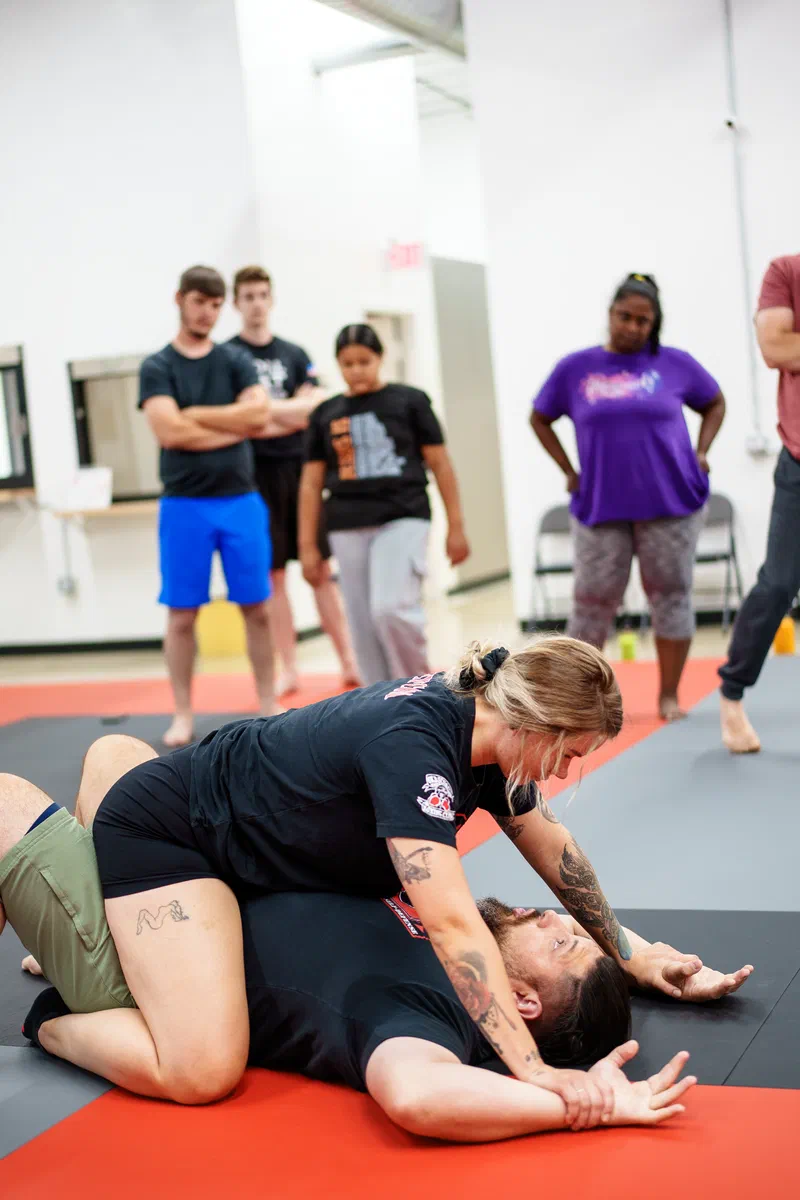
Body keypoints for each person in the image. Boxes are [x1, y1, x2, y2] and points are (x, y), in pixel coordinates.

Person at [0, 636, 751, 1125]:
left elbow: (559, 853)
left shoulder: (486, 736)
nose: (562, 773)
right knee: (202, 1068)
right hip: (176, 838)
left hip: (234, 823)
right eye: (569, 755)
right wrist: (536, 1073)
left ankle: (100, 923)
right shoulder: (416, 750)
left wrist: (630, 952)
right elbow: (452, 924)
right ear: (536, 727)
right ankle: (63, 1004)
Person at [531, 274, 726, 721]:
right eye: (625, 317)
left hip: (671, 501)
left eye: (643, 321)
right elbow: (540, 417)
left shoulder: (674, 363)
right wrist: (568, 471)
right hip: (601, 503)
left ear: (654, 323)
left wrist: (702, 452)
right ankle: (577, 702)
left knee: (671, 596)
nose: (633, 327)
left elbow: (715, 403)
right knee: (591, 602)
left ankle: (669, 696)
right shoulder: (575, 368)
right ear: (610, 313)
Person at [139, 265, 279, 747]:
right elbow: (168, 430)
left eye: (216, 305)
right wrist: (232, 427)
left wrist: (196, 416)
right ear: (180, 299)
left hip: (241, 500)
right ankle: (182, 712)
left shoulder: (235, 359)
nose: (208, 312)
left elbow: (258, 415)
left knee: (257, 608)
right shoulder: (158, 367)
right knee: (182, 615)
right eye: (200, 302)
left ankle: (268, 703)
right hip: (184, 505)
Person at [299, 323, 470, 686]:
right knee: (362, 624)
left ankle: (419, 690)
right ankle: (377, 699)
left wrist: (456, 527)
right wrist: (307, 546)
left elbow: (441, 464)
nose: (356, 370)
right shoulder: (325, 413)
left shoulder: (411, 401)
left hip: (403, 515)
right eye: (347, 364)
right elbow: (311, 483)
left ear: (380, 358)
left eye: (364, 361)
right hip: (346, 524)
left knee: (390, 609)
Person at [228, 266, 360, 696]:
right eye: (248, 296)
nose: (256, 304)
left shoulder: (294, 353)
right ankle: (289, 667)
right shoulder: (229, 357)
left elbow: (314, 408)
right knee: (274, 577)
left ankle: (348, 659)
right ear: (236, 302)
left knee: (318, 568)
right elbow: (242, 423)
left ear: (271, 299)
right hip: (254, 475)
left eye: (262, 295)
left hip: (299, 473)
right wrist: (285, 413)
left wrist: (265, 413)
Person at [719, 254, 800, 752]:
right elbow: (775, 346)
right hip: (799, 462)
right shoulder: (786, 272)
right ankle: (731, 694)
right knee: (778, 584)